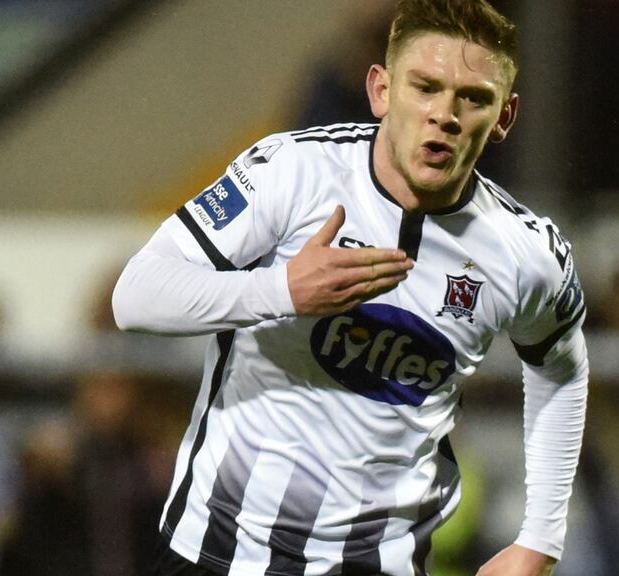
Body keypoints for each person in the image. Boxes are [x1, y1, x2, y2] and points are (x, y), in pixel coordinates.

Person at [112, 1, 589, 575]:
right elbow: (134, 295)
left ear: (505, 116)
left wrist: (540, 538)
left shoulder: (525, 254)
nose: (445, 114)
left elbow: (561, 369)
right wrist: (281, 292)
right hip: (216, 554)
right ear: (381, 90)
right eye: (426, 87)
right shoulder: (293, 173)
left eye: (474, 97)